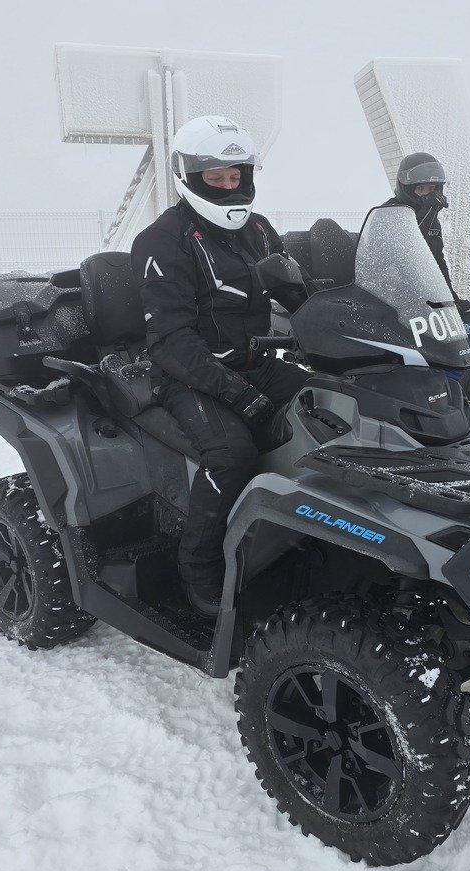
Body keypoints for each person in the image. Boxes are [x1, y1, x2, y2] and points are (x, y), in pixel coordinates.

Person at [131, 115, 309, 617]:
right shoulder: (162, 241)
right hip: (189, 376)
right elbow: (169, 341)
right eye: (216, 178)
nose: (229, 187)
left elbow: (297, 291)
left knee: (334, 404)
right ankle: (200, 567)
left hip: (255, 364)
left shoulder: (257, 229)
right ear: (190, 177)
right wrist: (235, 392)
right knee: (231, 451)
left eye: (236, 177)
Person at [381, 152, 470, 309]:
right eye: (421, 189)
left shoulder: (431, 219)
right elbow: (407, 252)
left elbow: (438, 261)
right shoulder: (390, 212)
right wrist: (429, 210)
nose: (428, 194)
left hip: (426, 298)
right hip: (393, 300)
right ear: (406, 188)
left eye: (432, 189)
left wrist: (450, 297)